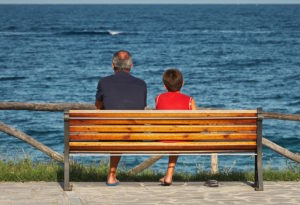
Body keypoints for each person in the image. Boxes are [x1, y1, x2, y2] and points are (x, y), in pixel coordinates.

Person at [95, 50, 147, 186]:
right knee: (120, 128)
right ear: (131, 66)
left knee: (115, 129)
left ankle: (111, 175)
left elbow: (98, 105)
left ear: (113, 65)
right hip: (135, 135)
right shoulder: (141, 84)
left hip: (110, 134)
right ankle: (169, 172)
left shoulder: (103, 82)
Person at [155, 68, 197, 186]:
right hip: (182, 137)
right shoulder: (189, 100)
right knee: (178, 136)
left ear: (164, 86)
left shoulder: (158, 98)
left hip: (162, 137)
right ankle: (169, 175)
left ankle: (168, 176)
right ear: (182, 84)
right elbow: (197, 122)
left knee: (174, 135)